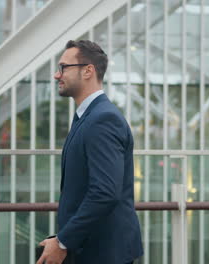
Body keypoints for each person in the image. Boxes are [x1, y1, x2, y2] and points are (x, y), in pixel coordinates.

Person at [36, 40, 143, 264]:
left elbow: (104, 192)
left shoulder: (102, 119)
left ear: (88, 71)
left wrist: (63, 241)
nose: (57, 75)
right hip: (93, 249)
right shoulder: (88, 117)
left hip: (103, 253)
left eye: (64, 67)